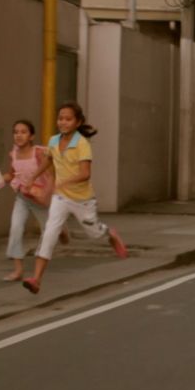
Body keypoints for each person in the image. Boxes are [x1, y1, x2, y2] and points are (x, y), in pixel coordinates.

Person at [22, 102, 127, 295]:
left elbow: (85, 174)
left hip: (82, 200)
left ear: (78, 122)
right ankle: (36, 279)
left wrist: (64, 182)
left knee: (94, 233)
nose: (63, 122)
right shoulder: (53, 141)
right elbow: (49, 160)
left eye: (68, 119)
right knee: (49, 235)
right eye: (60, 118)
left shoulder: (82, 144)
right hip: (61, 199)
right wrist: (33, 177)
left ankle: (109, 233)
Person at [0, 120, 67, 282]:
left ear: (31, 136)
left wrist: (46, 196)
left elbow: (51, 175)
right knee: (16, 228)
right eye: (16, 132)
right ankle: (18, 270)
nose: (19, 135)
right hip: (22, 197)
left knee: (48, 232)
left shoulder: (39, 153)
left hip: (41, 198)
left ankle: (60, 230)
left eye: (23, 132)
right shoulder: (13, 154)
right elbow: (12, 174)